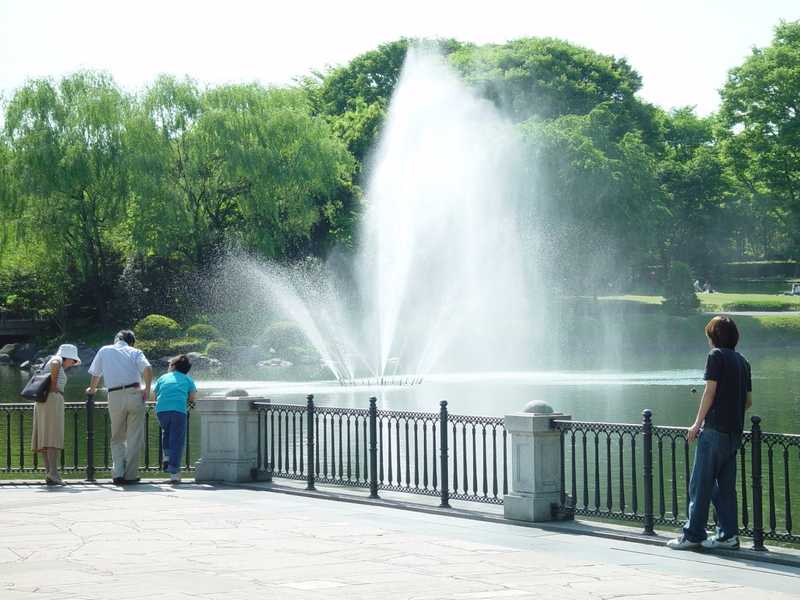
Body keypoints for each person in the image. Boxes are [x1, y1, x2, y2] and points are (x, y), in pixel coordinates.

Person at [667, 316, 752, 551]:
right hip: (734, 434)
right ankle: (728, 536)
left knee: (700, 484)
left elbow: (710, 392)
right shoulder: (743, 361)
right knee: (725, 488)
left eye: (709, 337)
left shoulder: (716, 356)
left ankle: (693, 535)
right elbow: (748, 402)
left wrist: (696, 424)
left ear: (714, 337)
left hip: (713, 431)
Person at [86, 330, 152, 485]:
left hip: (114, 395)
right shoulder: (135, 352)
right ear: (131, 342)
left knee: (117, 437)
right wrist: (147, 390)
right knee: (134, 437)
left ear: (116, 339)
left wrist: (92, 389)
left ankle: (118, 474)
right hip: (135, 393)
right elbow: (147, 369)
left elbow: (96, 374)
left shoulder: (104, 350)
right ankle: (130, 475)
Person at [32, 344, 81, 486]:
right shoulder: (57, 360)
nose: (72, 364)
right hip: (52, 400)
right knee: (53, 436)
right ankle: (53, 473)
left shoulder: (54, 362)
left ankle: (50, 473)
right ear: (68, 357)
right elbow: (55, 363)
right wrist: (54, 384)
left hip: (45, 401)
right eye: (73, 361)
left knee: (46, 437)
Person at [153, 354, 197, 483]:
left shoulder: (162, 378)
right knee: (177, 440)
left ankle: (166, 457)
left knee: (166, 433)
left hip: (161, 411)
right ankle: (174, 473)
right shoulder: (188, 379)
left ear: (173, 366)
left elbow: (155, 395)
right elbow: (192, 397)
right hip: (178, 410)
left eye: (169, 364)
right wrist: (188, 401)